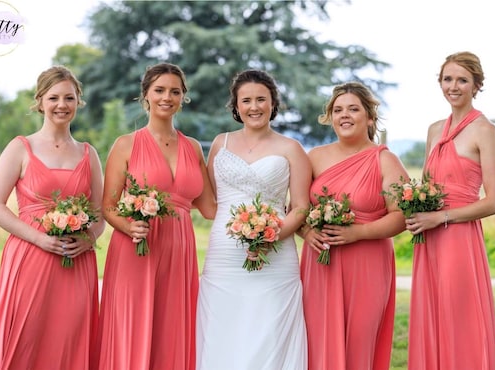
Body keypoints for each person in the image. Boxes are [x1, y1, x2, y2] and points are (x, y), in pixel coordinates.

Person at [0, 65, 105, 370]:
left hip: (76, 261)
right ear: (40, 101)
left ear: (78, 102)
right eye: (54, 98)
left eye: (69, 98)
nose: (62, 105)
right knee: (26, 332)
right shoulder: (20, 148)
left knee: (70, 336)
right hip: (30, 255)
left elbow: (99, 214)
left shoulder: (89, 154)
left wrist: (87, 239)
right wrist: (39, 238)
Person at [95, 62, 215, 370]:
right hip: (137, 250)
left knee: (172, 327)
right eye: (159, 90)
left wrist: (262, 207)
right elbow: (108, 207)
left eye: (175, 91)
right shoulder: (125, 145)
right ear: (145, 96)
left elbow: (209, 207)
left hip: (179, 252)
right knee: (134, 326)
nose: (167, 97)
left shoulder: (192, 147)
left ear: (183, 97)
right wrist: (130, 226)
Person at [196, 69, 311, 369]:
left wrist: (269, 236)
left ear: (273, 103)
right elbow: (210, 202)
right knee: (224, 331)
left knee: (269, 334)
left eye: (262, 99)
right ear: (236, 106)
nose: (254, 107)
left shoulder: (291, 149)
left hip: (276, 256)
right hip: (224, 256)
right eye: (246, 100)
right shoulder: (220, 144)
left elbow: (300, 207)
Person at [299, 82, 408, 370]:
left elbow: (400, 217)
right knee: (317, 340)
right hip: (320, 264)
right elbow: (297, 208)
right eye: (338, 110)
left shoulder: (385, 160)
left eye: (353, 109)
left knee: (360, 340)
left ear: (369, 118)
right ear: (330, 117)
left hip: (368, 264)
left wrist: (357, 232)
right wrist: (307, 231)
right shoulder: (314, 157)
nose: (344, 115)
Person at [406, 51, 495, 369]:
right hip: (430, 238)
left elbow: (494, 201)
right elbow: (427, 186)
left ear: (476, 85)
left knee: (458, 315)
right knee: (431, 312)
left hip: (459, 238)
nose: (454, 86)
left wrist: (441, 216)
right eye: (448, 79)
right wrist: (414, 207)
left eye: (462, 80)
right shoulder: (434, 130)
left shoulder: (484, 130)